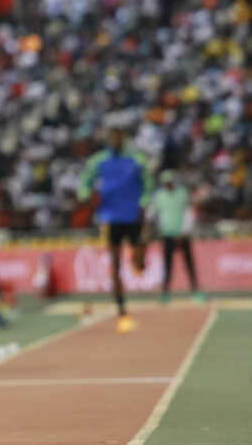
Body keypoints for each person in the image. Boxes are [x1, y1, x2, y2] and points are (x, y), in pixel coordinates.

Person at [78, 128, 152, 332]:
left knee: (140, 260)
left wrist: (144, 200)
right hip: (110, 218)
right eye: (112, 138)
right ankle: (121, 308)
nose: (115, 142)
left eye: (118, 138)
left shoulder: (136, 160)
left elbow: (148, 181)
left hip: (133, 215)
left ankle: (137, 258)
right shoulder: (98, 161)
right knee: (116, 263)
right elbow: (85, 179)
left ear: (123, 140)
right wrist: (85, 193)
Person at [147, 170, 204, 304]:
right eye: (166, 182)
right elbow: (152, 213)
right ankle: (165, 292)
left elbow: (189, 213)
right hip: (167, 234)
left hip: (182, 235)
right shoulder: (159, 196)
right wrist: (149, 221)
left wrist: (184, 232)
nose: (168, 185)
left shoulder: (182, 193)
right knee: (167, 266)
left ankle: (195, 291)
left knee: (189, 264)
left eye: (170, 182)